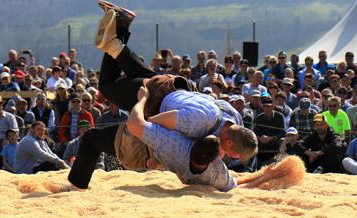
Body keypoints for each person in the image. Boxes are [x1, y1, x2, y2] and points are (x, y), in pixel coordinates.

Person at [66, 6, 285, 191]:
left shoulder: (232, 117)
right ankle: (120, 30)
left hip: (178, 86)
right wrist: (144, 116)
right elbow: (153, 120)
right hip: (158, 98)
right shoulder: (193, 127)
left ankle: (122, 28)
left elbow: (213, 108)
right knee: (106, 85)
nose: (228, 157)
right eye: (232, 154)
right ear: (228, 142)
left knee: (135, 72)